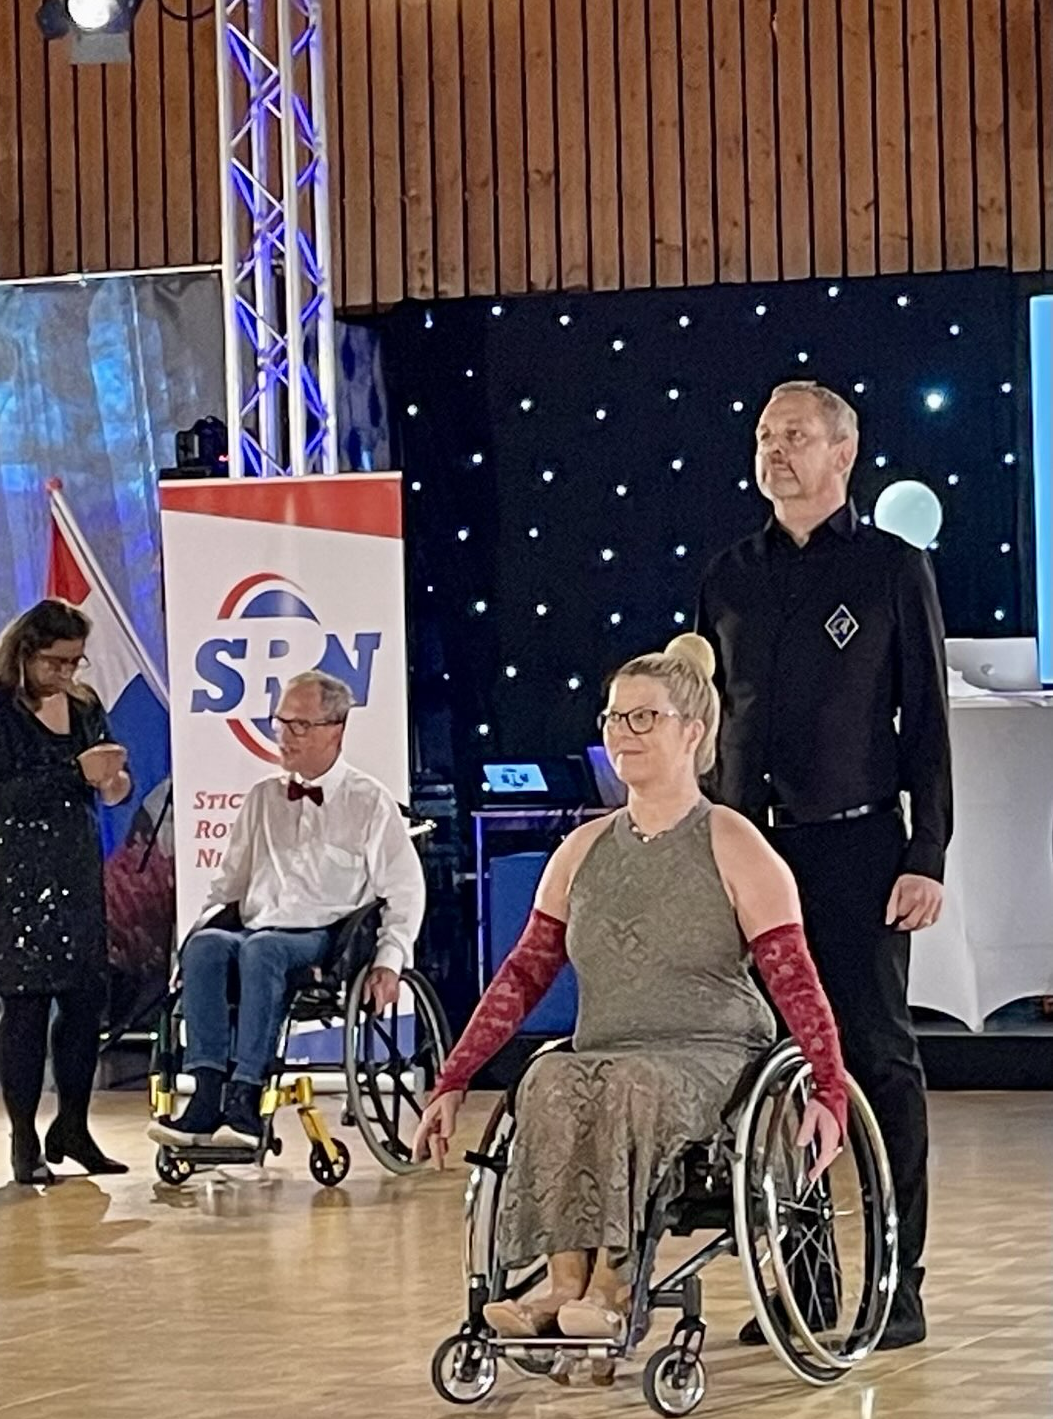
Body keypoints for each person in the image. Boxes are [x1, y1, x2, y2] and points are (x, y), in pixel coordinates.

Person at [413, 637, 848, 1339]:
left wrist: (829, 1087)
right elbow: (521, 976)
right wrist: (453, 1078)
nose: (624, 732)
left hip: (712, 1057)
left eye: (645, 717)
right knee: (548, 1078)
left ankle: (613, 1289)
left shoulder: (733, 841)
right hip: (607, 1048)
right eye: (615, 717)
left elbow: (795, 979)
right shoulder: (581, 851)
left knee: (627, 1084)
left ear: (693, 732)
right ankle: (562, 1285)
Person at [697, 379, 951, 1350]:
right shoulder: (727, 575)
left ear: (842, 453)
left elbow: (925, 725)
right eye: (765, 435)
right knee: (775, 1063)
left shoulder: (891, 568)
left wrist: (925, 851)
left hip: (856, 848)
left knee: (876, 1060)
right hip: (752, 851)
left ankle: (896, 1283)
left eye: (795, 435)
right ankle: (803, 1288)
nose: (775, 450)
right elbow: (706, 720)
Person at [150, 670, 426, 1150]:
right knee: (207, 947)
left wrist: (389, 960)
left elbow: (404, 890)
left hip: (322, 936)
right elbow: (228, 884)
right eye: (281, 723)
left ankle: (246, 1094)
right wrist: (191, 940)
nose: (285, 736)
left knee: (263, 951)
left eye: (300, 725)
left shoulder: (368, 802)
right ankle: (206, 1092)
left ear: (335, 730)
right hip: (257, 926)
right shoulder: (263, 798)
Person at [0, 599, 132, 1186]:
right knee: (26, 1003)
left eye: (75, 662)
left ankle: (73, 1125)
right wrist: (77, 773)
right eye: (56, 662)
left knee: (84, 999)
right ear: (25, 652)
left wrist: (114, 783)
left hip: (71, 861)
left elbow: (105, 774)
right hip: (9, 870)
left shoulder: (83, 704)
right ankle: (23, 1137)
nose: (66, 673)